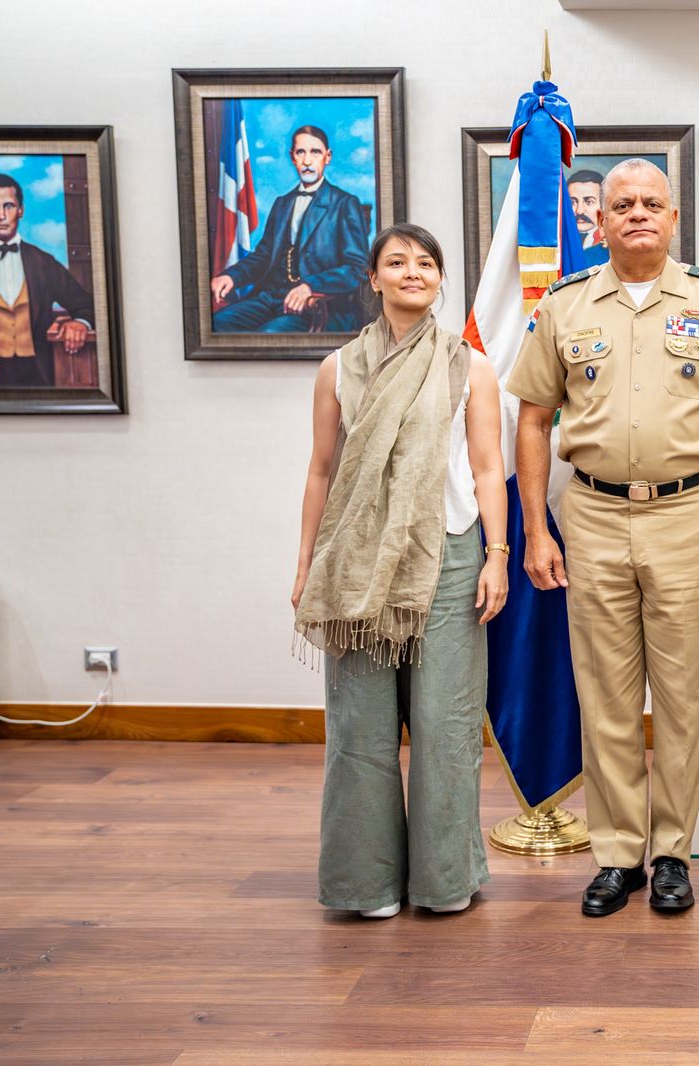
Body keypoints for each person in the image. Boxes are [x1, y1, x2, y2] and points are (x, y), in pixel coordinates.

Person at [508, 158, 699, 917]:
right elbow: (531, 419)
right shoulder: (564, 306)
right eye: (622, 205)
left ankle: (673, 853)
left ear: (674, 218)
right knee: (608, 695)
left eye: (653, 203)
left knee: (682, 698)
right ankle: (619, 854)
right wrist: (534, 531)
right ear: (600, 221)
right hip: (588, 515)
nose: (638, 215)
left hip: (688, 516)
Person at [292, 222, 509, 919]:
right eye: (397, 262)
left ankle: (445, 880)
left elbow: (485, 469)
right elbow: (322, 469)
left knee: (445, 724)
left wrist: (497, 555)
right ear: (374, 279)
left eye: (426, 262)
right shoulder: (338, 368)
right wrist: (306, 567)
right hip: (356, 565)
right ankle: (366, 884)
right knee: (359, 730)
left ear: (441, 279)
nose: (413, 271)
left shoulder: (468, 365)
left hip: (446, 555)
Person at [212, 125, 370, 333]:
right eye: (300, 152)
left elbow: (357, 268)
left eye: (315, 152)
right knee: (218, 323)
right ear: (292, 157)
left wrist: (311, 286)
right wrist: (231, 276)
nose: (307, 161)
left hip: (316, 305)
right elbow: (263, 255)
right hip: (271, 296)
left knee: (268, 336)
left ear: (327, 157)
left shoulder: (344, 204)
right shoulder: (282, 203)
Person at [0, 172, 93, 388]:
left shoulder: (42, 262)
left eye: (8, 206)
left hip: (40, 375)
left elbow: (86, 304)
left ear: (21, 210)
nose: (1, 216)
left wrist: (80, 323)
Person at [567, 168, 608, 266]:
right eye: (573, 202)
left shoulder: (613, 245)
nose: (579, 210)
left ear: (603, 205)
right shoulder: (557, 246)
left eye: (589, 202)